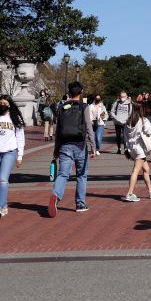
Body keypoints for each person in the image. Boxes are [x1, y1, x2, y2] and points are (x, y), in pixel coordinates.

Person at [48, 82, 97, 217]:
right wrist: (94, 147)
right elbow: (88, 127)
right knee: (81, 175)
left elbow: (58, 130)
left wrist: (56, 149)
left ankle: (55, 195)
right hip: (80, 145)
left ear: (69, 93)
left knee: (63, 174)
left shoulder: (62, 107)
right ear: (81, 93)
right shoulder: (84, 107)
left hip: (64, 144)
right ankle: (80, 203)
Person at [122, 105, 151, 202]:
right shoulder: (143, 120)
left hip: (132, 148)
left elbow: (125, 136)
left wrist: (126, 148)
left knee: (146, 169)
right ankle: (129, 193)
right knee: (135, 171)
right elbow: (150, 131)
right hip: (140, 149)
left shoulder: (127, 122)